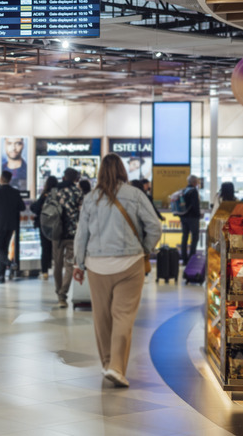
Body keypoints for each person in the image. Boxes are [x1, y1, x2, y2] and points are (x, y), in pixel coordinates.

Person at [73, 153, 161, 388]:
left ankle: (107, 363)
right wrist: (144, 248)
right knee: (123, 316)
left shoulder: (91, 199)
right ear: (123, 170)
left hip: (96, 265)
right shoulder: (136, 195)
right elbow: (155, 226)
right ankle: (117, 368)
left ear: (100, 172)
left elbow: (82, 235)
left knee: (101, 317)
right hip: (129, 264)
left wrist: (78, 264)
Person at [0, 170, 26, 283]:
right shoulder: (15, 192)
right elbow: (22, 207)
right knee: (4, 249)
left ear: (1, 178)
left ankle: (10, 263)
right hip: (11, 225)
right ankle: (1, 275)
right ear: (10, 179)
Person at [52, 168, 83, 308]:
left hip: (56, 234)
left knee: (57, 265)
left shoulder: (54, 191)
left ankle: (59, 291)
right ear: (76, 179)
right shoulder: (78, 192)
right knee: (69, 265)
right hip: (72, 234)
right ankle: (62, 295)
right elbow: (82, 213)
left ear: (64, 177)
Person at [31, 176, 58, 280]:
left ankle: (44, 272)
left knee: (45, 248)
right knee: (56, 249)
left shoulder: (44, 195)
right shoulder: (58, 195)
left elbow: (35, 208)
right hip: (57, 225)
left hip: (44, 224)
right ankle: (57, 271)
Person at [179, 175, 202, 265]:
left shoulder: (184, 190)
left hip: (183, 217)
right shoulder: (194, 191)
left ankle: (184, 258)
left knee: (184, 237)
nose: (197, 183)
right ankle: (192, 258)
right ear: (194, 182)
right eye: (196, 181)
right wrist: (199, 214)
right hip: (193, 218)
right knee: (195, 237)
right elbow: (195, 205)